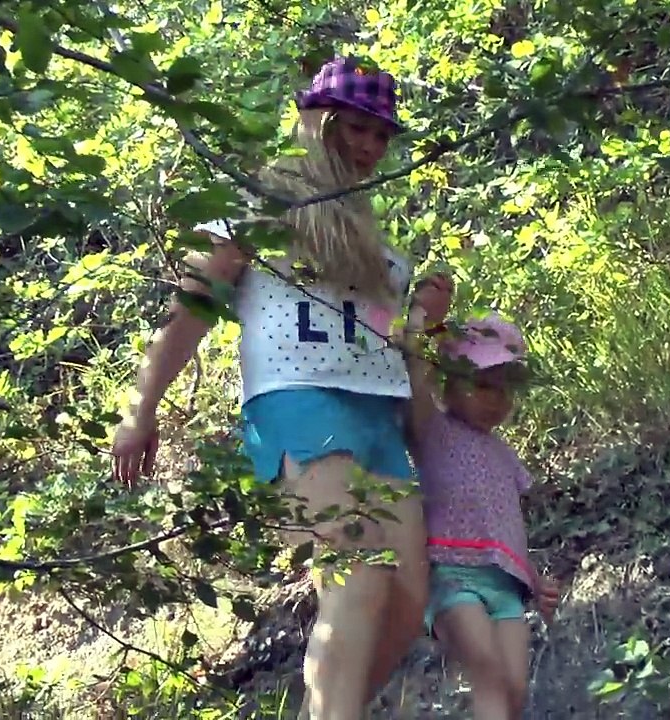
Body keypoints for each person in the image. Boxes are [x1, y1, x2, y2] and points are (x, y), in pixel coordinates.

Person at [110, 56, 453, 720]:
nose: (369, 146)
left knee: (408, 600)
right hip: (298, 398)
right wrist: (140, 408)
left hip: (379, 417)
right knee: (358, 576)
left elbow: (394, 350)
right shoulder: (260, 206)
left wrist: (423, 325)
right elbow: (194, 305)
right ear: (319, 123)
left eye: (381, 134)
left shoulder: (377, 248)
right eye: (356, 127)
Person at [399, 300, 562, 720]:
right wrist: (420, 322)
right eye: (484, 385)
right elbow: (415, 381)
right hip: (452, 576)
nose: (498, 399)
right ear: (449, 384)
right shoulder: (433, 431)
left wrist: (534, 578)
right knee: (487, 672)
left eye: (506, 389)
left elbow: (505, 523)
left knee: (514, 688)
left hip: (505, 586)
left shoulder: (504, 455)